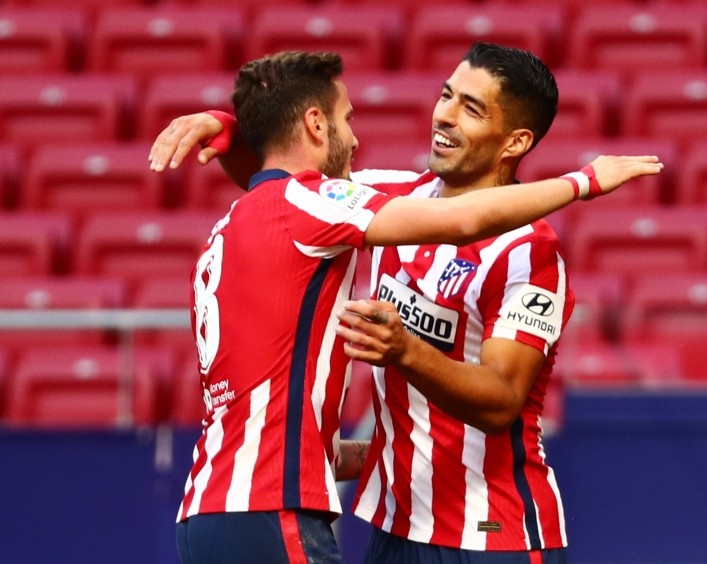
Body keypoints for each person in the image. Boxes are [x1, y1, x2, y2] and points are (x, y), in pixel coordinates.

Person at [151, 45, 663, 563]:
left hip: (489, 533)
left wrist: (406, 351)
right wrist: (236, 126)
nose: (444, 114)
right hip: (395, 530)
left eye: (472, 108)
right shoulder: (388, 195)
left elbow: (502, 399)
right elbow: (281, 193)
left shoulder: (529, 251)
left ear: (516, 141)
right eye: (447, 95)